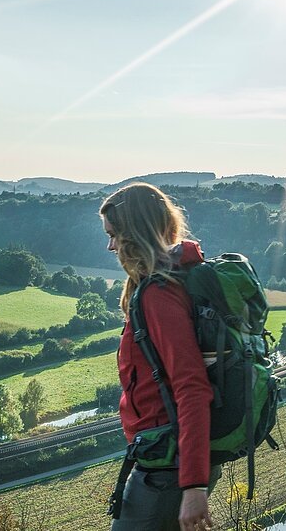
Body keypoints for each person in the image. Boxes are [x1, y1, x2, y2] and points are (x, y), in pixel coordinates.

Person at [101, 183, 219, 531]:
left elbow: (192, 387)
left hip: (168, 468)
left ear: (134, 234)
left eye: (114, 235)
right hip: (173, 459)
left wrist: (193, 486)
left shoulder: (159, 294)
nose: (110, 246)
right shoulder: (173, 279)